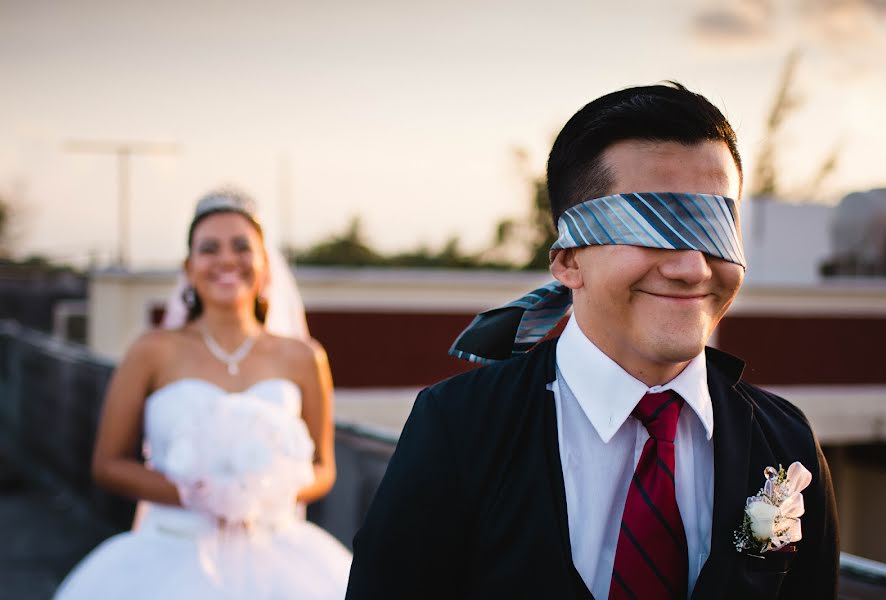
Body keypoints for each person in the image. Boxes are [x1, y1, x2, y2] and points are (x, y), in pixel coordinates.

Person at [346, 83, 839, 599]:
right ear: (567, 259)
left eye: (717, 229)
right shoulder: (459, 426)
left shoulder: (785, 442)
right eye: (655, 226)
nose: (693, 268)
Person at [55, 189, 351, 600]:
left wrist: (263, 491)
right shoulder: (151, 351)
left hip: (278, 552)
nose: (227, 260)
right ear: (189, 268)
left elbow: (323, 469)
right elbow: (108, 463)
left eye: (242, 247)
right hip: (171, 549)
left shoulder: (304, 356)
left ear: (265, 267)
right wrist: (194, 494)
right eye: (209, 249)